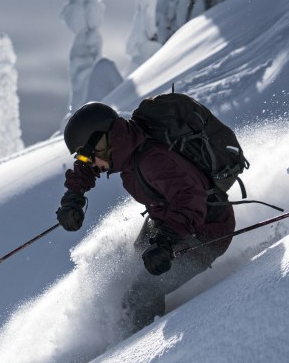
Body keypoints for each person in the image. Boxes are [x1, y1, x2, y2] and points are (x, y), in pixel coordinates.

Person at [56, 101, 236, 332]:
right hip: (166, 223)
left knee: (141, 295)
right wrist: (74, 195)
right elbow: (87, 166)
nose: (89, 163)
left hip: (206, 230)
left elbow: (191, 198)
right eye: (83, 157)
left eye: (88, 155)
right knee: (133, 265)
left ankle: (141, 352)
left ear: (102, 142)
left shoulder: (153, 161)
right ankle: (128, 331)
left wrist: (165, 242)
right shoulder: (125, 146)